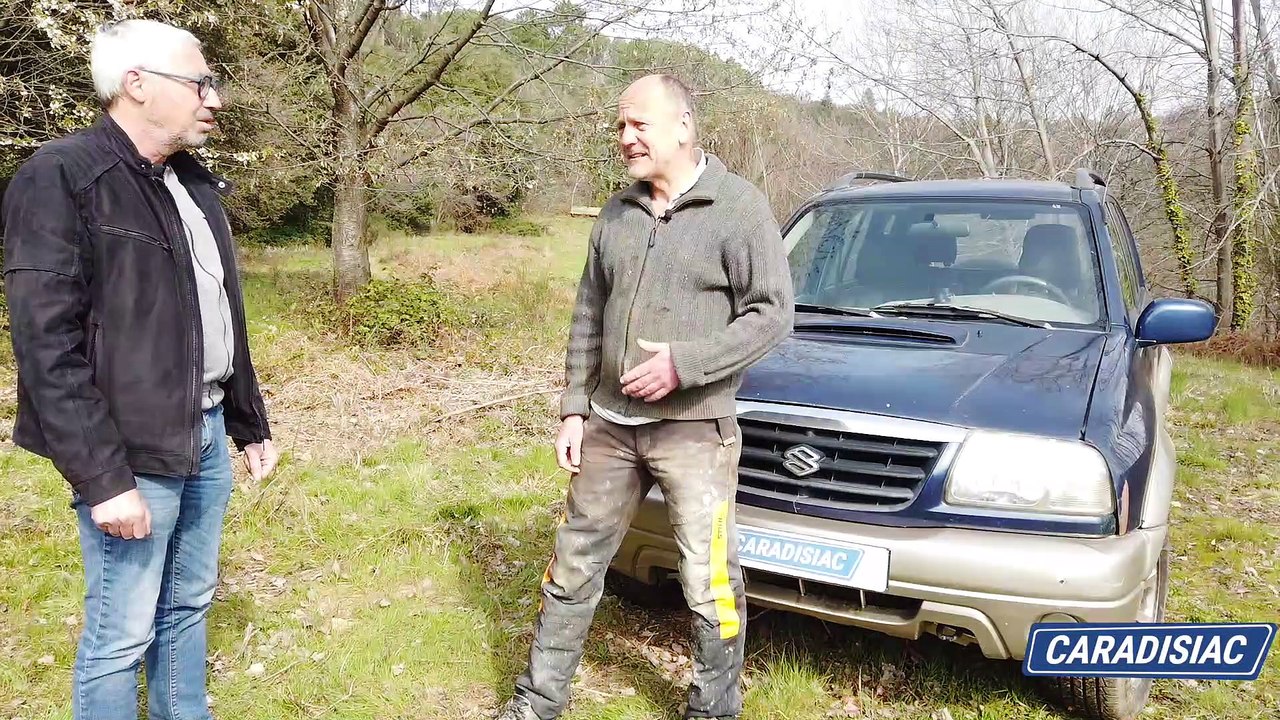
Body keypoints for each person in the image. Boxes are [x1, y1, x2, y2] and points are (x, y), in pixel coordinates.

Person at [1, 19, 276, 720]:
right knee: (122, 631)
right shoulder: (62, 176)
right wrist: (102, 478)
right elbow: (46, 345)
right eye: (200, 83)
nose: (213, 99)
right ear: (137, 84)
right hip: (130, 451)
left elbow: (217, 313)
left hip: (206, 430)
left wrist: (247, 420)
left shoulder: (191, 183)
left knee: (187, 603)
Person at [497, 74, 794, 720]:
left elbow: (772, 314)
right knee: (572, 567)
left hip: (695, 428)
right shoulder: (616, 213)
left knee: (707, 581)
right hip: (608, 422)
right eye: (619, 127)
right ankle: (537, 701)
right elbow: (587, 312)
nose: (625, 138)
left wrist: (684, 365)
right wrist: (573, 406)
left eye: (639, 125)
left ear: (683, 127)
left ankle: (714, 708)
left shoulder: (739, 208)